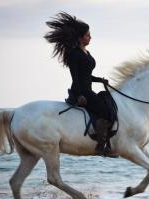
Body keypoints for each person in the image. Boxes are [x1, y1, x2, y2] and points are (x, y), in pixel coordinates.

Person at [44, 12, 114, 157]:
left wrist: (100, 80)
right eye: (88, 35)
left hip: (87, 89)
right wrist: (81, 95)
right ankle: (101, 146)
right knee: (105, 110)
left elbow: (86, 75)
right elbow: (75, 77)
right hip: (80, 91)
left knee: (109, 103)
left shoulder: (86, 52)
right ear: (81, 37)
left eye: (90, 35)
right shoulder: (74, 53)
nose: (90, 37)